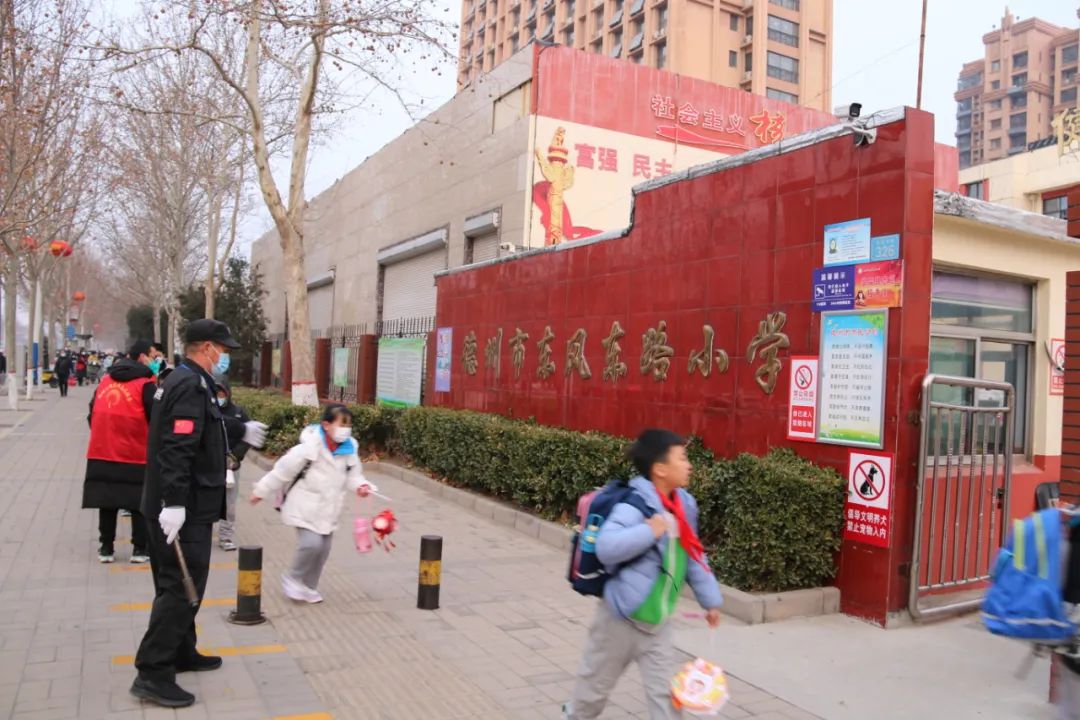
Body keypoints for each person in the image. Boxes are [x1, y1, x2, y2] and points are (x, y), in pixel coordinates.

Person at [130, 319, 267, 709]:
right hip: (182, 508)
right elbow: (178, 447)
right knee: (181, 587)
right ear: (206, 347)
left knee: (179, 586)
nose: (224, 356)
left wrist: (238, 429)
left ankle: (181, 651)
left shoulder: (187, 379)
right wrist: (174, 503)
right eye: (222, 350)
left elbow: (204, 426)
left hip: (181, 504)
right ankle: (152, 672)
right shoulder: (191, 384)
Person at [564, 429, 723, 720]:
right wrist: (649, 531)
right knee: (591, 695)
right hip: (618, 620)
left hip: (657, 625)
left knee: (667, 700)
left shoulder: (684, 506)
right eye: (682, 458)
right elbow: (606, 548)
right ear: (660, 469)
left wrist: (710, 600)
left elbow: (693, 555)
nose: (689, 465)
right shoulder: (634, 505)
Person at [251, 404, 375, 604]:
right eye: (341, 424)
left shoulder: (349, 449)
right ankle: (292, 577)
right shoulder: (307, 449)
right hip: (303, 506)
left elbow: (354, 476)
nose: (346, 429)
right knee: (311, 544)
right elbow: (281, 472)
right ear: (326, 425)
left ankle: (309, 586)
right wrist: (261, 491)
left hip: (329, 508)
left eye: (348, 425)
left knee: (323, 549)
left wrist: (362, 486)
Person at [83, 340, 165, 564]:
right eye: (152, 356)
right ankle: (140, 549)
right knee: (139, 503)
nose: (154, 360)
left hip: (102, 451)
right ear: (142, 358)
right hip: (135, 453)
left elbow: (92, 413)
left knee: (106, 502)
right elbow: (157, 418)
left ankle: (106, 548)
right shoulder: (146, 385)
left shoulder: (105, 381)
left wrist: (105, 435)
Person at [214, 378, 252, 552]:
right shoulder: (207, 410)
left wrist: (235, 456)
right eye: (216, 393)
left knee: (229, 503)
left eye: (222, 393)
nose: (219, 396)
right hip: (210, 465)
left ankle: (226, 536)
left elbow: (248, 436)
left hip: (230, 466)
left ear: (228, 393)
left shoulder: (238, 413)